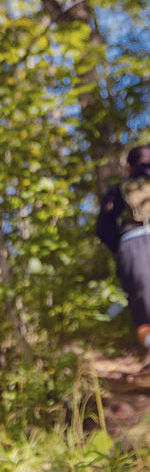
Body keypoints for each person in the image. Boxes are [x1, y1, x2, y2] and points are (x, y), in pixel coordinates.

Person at [97, 144, 150, 354]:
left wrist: (120, 249)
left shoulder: (118, 191)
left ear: (129, 166)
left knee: (144, 310)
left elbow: (104, 228)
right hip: (133, 245)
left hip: (133, 246)